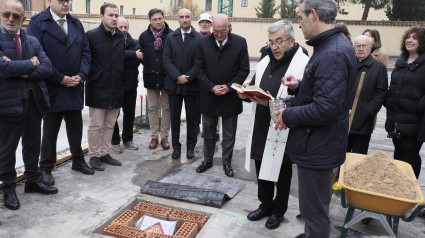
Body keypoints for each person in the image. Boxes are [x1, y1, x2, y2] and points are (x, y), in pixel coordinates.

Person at [275, 0, 357, 237]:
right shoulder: (332, 45)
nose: (299, 24)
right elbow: (327, 93)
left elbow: (326, 108)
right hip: (319, 142)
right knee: (312, 206)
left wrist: (288, 114)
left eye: (300, 17)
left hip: (318, 144)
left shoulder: (332, 52)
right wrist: (299, 87)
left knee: (314, 211)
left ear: (313, 15)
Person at [241, 20, 309, 230]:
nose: (275, 47)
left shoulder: (303, 63)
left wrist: (272, 102)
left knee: (282, 170)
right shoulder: (264, 61)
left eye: (279, 41)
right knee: (262, 165)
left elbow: (306, 98)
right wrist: (246, 94)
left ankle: (278, 211)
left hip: (284, 125)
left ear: (292, 40)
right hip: (262, 122)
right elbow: (255, 83)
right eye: (271, 42)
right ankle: (265, 205)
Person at [27, 0, 94, 187]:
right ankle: (46, 167)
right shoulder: (37, 22)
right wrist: (59, 78)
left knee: (75, 126)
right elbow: (37, 55)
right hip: (52, 86)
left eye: (68, 1)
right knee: (50, 130)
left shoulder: (75, 22)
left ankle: (78, 160)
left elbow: (86, 52)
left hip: (74, 85)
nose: (66, 4)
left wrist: (81, 75)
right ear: (50, 1)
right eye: (61, 0)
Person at [0, 0, 58, 210]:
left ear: (23, 19)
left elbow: (47, 68)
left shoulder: (32, 40)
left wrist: (19, 70)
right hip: (9, 104)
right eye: (7, 14)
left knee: (33, 144)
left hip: (35, 102)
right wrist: (31, 64)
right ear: (1, 15)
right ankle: (8, 188)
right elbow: (3, 69)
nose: (11, 19)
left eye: (16, 16)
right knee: (7, 150)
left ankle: (32, 181)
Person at [194, 14, 250, 177]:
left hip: (230, 96)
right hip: (209, 95)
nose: (219, 35)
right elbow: (199, 69)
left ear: (229, 27)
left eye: (222, 31)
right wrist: (211, 87)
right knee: (209, 132)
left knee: (229, 134)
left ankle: (227, 163)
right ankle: (207, 160)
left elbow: (244, 69)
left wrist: (229, 87)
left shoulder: (240, 42)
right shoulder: (203, 42)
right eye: (216, 31)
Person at [85, 3, 124, 171]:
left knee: (110, 124)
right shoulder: (91, 36)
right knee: (96, 125)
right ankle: (94, 156)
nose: (114, 18)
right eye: (110, 15)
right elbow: (85, 60)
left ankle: (104, 153)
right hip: (98, 87)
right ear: (101, 16)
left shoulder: (120, 36)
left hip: (116, 87)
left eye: (116, 15)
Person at [385, 26, 425, 180]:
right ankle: (398, 188)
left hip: (415, 120)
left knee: (410, 154)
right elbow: (394, 87)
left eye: (415, 38)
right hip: (396, 118)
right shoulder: (401, 62)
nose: (410, 40)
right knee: (399, 153)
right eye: (408, 37)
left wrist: (419, 104)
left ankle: (411, 188)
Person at [163, 9, 202, 160]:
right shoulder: (170, 38)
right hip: (174, 85)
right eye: (181, 17)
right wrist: (177, 76)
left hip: (192, 86)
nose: (184, 19)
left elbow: (200, 62)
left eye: (187, 17)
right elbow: (166, 60)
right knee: (174, 118)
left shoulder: (199, 38)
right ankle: (176, 147)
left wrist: (189, 76)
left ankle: (191, 147)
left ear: (191, 18)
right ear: (177, 19)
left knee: (192, 119)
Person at [139, 8, 173, 151]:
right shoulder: (144, 36)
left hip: (167, 77)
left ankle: (164, 137)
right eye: (155, 19)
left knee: (166, 108)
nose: (158, 22)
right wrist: (150, 65)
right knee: (153, 108)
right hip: (151, 76)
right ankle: (154, 136)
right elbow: (140, 55)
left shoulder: (172, 35)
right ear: (150, 20)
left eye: (160, 18)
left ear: (164, 18)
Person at [347, 35, 388, 155]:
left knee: (359, 156)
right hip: (344, 118)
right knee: (342, 156)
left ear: (370, 47)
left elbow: (381, 93)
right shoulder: (349, 64)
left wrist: (368, 111)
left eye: (364, 46)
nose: (360, 49)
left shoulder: (378, 67)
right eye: (357, 46)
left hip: (363, 122)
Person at [111, 17, 143, 154]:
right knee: (113, 115)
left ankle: (128, 139)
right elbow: (113, 58)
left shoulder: (135, 42)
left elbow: (136, 62)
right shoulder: (111, 42)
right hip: (115, 85)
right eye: (120, 27)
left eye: (126, 27)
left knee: (129, 114)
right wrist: (133, 55)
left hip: (130, 85)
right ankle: (115, 142)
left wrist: (124, 59)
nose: (123, 30)